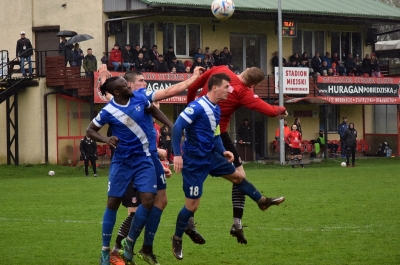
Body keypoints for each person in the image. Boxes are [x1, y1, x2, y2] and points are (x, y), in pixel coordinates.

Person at [171, 73, 285, 260]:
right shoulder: (197, 106)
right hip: (194, 162)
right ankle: (177, 238)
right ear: (215, 88)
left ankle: (262, 202)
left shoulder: (216, 110)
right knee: (192, 205)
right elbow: (177, 127)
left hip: (211, 157)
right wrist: (177, 154)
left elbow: (215, 135)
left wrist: (223, 150)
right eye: (226, 87)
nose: (230, 90)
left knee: (239, 177)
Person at [108, 67, 205, 265]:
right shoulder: (136, 97)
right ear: (131, 86)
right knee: (138, 208)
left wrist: (161, 156)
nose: (145, 84)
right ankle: (119, 249)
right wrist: (193, 78)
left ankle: (144, 248)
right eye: (142, 81)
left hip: (148, 158)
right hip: (132, 161)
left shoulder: (136, 104)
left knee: (160, 201)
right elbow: (170, 91)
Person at [86, 76, 161, 265]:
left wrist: (172, 125)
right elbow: (90, 130)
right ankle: (105, 251)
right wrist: (106, 139)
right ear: (117, 92)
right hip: (122, 161)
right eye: (125, 84)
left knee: (149, 199)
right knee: (113, 202)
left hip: (143, 159)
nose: (129, 85)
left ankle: (129, 242)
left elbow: (154, 110)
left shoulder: (139, 99)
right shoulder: (108, 111)